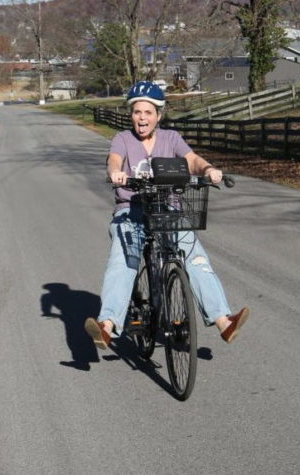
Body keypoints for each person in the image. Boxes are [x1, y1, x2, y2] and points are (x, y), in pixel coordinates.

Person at [85, 81, 249, 350]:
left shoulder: (171, 138)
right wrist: (115, 172)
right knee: (122, 262)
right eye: (137, 112)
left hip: (167, 209)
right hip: (132, 210)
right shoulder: (122, 139)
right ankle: (106, 326)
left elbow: (191, 160)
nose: (142, 118)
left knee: (195, 256)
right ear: (131, 114)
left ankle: (223, 321)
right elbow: (114, 160)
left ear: (158, 115)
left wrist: (208, 169)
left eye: (148, 112)